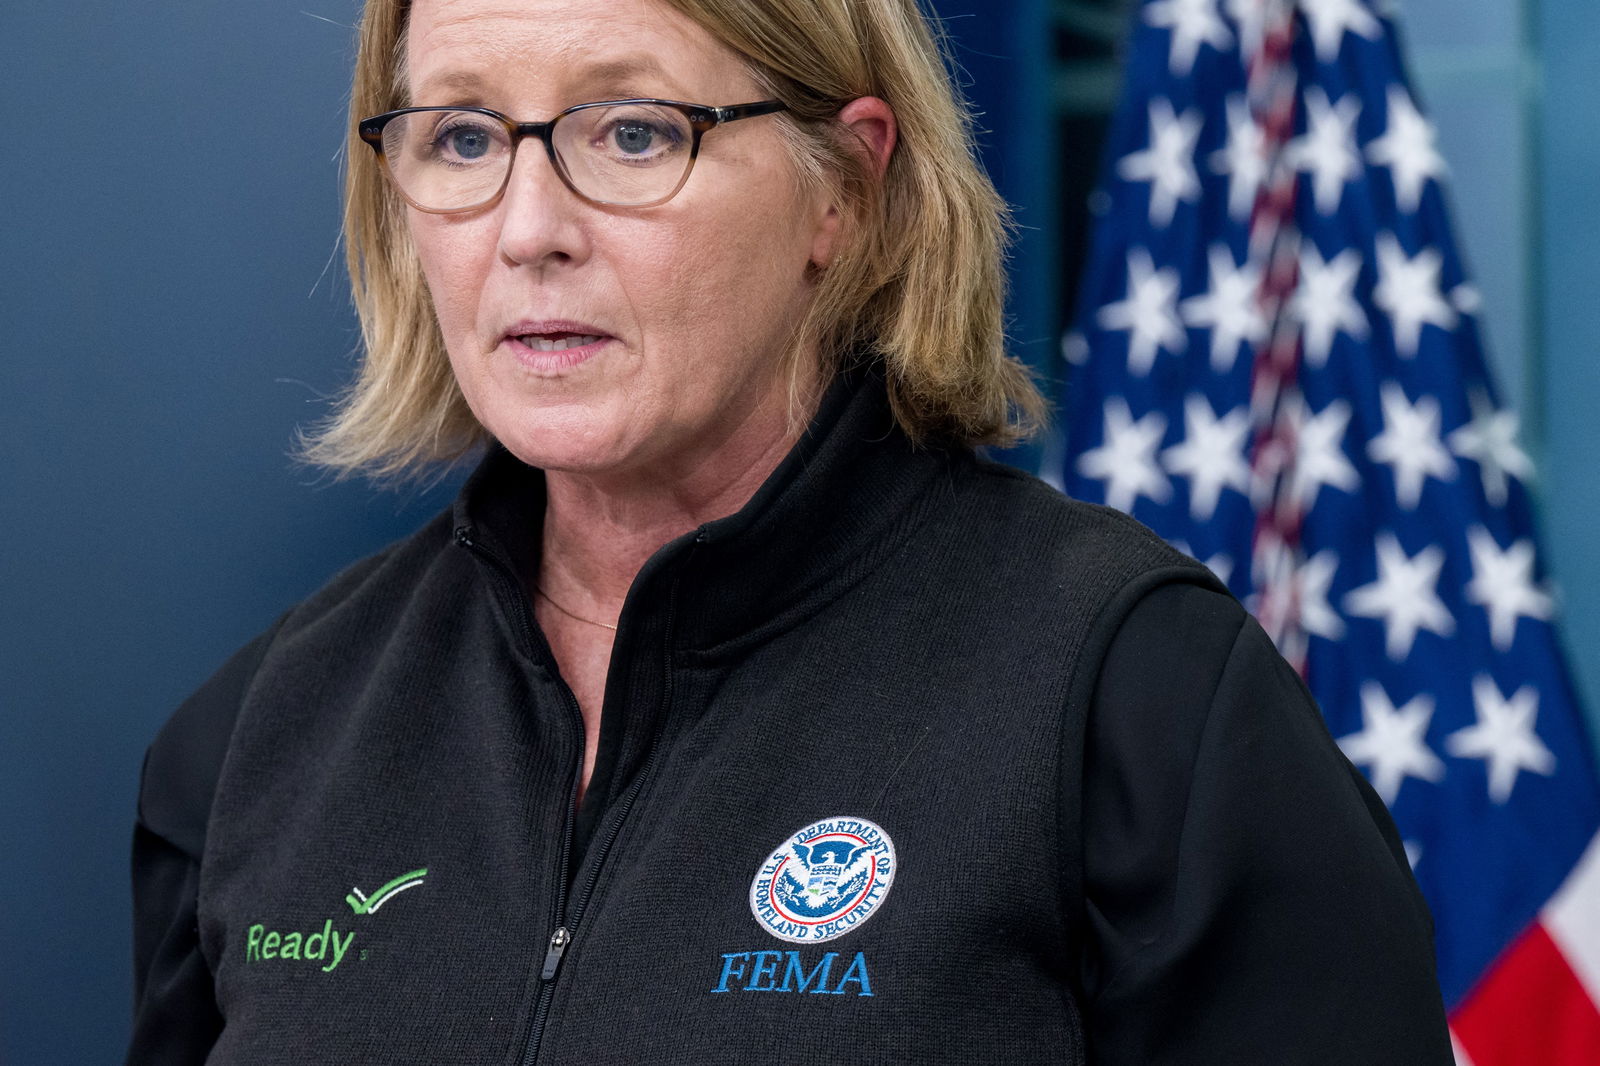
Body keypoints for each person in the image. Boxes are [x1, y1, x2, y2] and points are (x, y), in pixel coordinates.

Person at [128, 0, 1455, 1061]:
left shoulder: (1137, 696)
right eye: (464, 139)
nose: (530, 231)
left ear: (845, 191)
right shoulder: (260, 732)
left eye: (634, 133)